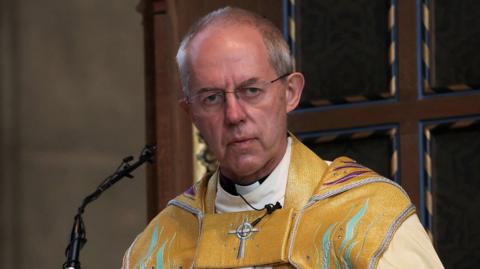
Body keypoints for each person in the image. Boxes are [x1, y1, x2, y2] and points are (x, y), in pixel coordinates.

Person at [122, 7, 444, 269]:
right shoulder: (160, 245)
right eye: (211, 98)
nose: (234, 115)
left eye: (251, 90)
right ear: (190, 113)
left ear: (290, 93)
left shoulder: (366, 217)